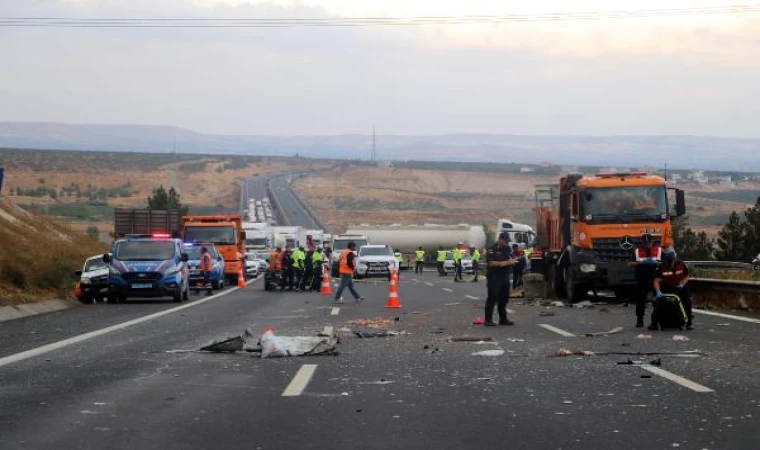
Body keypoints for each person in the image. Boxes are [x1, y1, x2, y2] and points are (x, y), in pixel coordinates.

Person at [653, 249, 694, 330]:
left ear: (674, 260)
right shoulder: (661, 267)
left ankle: (689, 322)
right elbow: (656, 280)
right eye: (667, 262)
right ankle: (654, 322)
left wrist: (682, 283)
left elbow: (686, 276)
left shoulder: (681, 264)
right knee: (658, 302)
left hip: (679, 287)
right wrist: (658, 291)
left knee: (687, 301)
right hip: (666, 287)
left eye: (670, 262)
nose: (669, 264)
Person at [628, 233, 662, 328]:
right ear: (642, 242)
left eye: (649, 242)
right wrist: (640, 263)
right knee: (640, 300)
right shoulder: (637, 251)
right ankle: (640, 320)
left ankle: (655, 320)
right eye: (645, 243)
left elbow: (664, 263)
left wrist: (657, 264)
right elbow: (630, 263)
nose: (647, 244)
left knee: (658, 300)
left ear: (652, 242)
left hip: (655, 279)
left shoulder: (659, 250)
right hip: (642, 279)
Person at [485, 232, 517, 326]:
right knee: (493, 297)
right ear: (500, 239)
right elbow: (490, 263)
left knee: (504, 298)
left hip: (505, 276)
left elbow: (511, 258)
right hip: (494, 276)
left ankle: (503, 319)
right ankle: (488, 319)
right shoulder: (492, 248)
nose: (507, 243)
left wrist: (513, 261)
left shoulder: (507, 248)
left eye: (507, 242)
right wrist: (505, 263)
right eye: (505, 241)